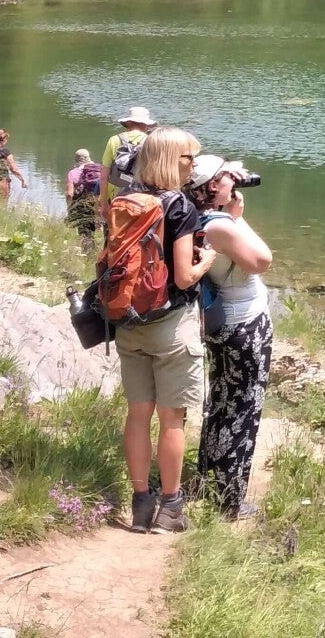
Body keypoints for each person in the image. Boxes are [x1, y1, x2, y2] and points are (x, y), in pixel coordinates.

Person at [112, 125, 215, 534]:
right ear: (173, 161)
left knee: (138, 415)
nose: (194, 164)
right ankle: (170, 509)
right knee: (173, 420)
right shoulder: (180, 207)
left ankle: (140, 505)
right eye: (190, 158)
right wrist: (208, 259)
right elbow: (186, 277)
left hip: (127, 321)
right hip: (171, 325)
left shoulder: (125, 199)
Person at [187, 155, 275, 520]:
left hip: (220, 325)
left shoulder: (190, 214)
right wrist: (240, 218)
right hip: (244, 325)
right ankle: (230, 501)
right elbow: (262, 260)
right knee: (243, 409)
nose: (233, 184)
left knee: (221, 403)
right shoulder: (220, 225)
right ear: (211, 187)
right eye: (226, 179)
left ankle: (206, 480)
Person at [99, 106, 157, 240]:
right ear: (146, 125)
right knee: (136, 237)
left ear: (128, 123)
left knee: (112, 235)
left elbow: (103, 175)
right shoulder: (151, 142)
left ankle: (109, 258)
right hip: (142, 197)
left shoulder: (114, 140)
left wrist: (103, 204)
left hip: (116, 197)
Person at [64, 147, 104, 252]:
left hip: (83, 205)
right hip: (100, 204)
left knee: (85, 232)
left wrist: (70, 207)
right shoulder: (100, 169)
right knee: (101, 231)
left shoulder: (73, 173)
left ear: (76, 159)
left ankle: (87, 254)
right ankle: (99, 254)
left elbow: (69, 194)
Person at [0, 128, 28, 199]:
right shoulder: (4, 151)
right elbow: (14, 169)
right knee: (1, 206)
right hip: (1, 181)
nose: (7, 141)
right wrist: (23, 180)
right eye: (6, 139)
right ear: (3, 139)